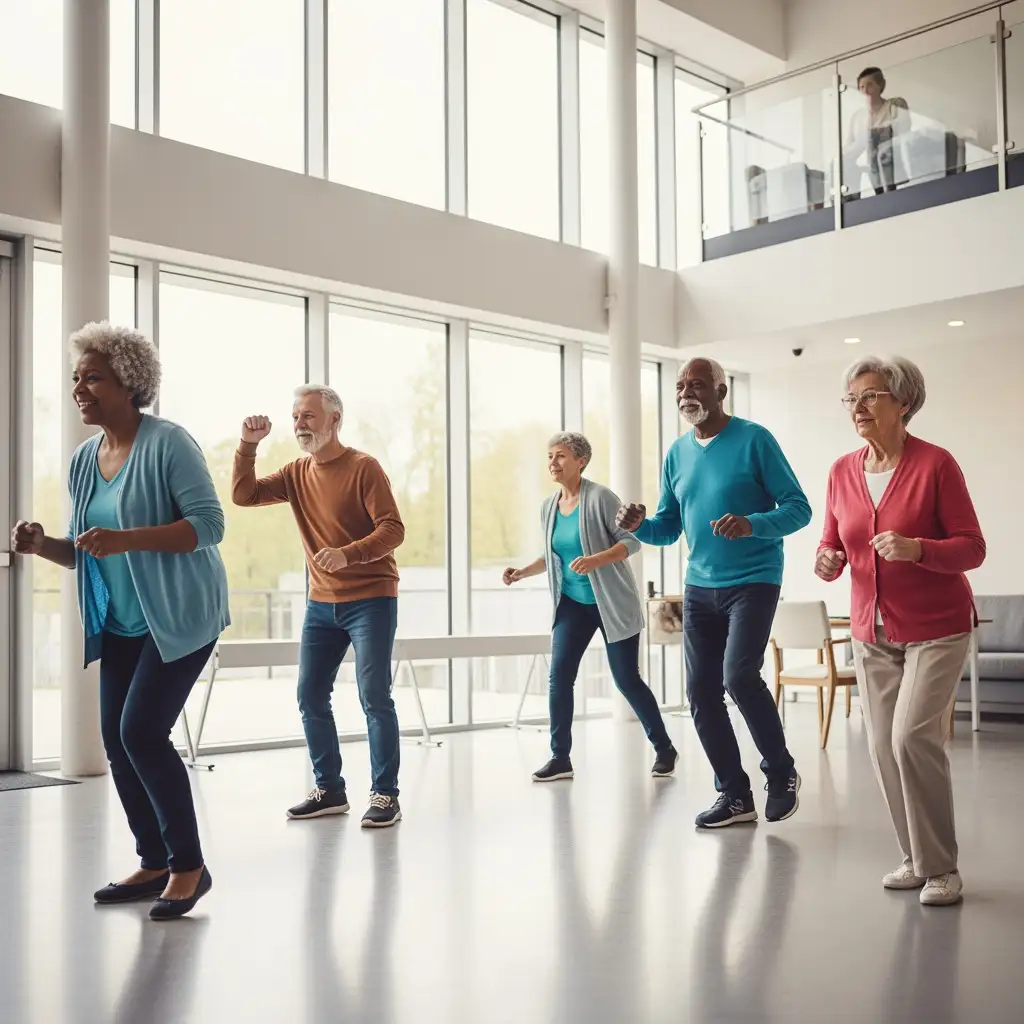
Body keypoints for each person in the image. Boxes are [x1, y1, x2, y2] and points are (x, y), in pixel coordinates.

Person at [11, 322, 228, 920]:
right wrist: (43, 546)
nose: (80, 388)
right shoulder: (85, 459)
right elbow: (89, 549)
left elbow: (209, 526)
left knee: (141, 734)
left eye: (93, 378)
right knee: (117, 738)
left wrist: (128, 538)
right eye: (77, 378)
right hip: (121, 622)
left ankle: (190, 865)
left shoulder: (168, 443)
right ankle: (154, 860)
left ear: (129, 384)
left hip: (180, 617)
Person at [816, 356, 985, 906]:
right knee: (882, 748)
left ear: (902, 403)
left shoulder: (937, 464)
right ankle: (914, 857)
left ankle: (942, 868)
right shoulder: (842, 470)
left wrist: (919, 550)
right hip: (872, 628)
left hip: (937, 626)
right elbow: (834, 543)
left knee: (911, 736)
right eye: (851, 399)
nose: (857, 408)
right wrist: (827, 559)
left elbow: (971, 547)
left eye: (869, 396)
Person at [617, 358, 811, 829]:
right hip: (700, 587)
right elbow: (669, 529)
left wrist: (751, 524)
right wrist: (641, 526)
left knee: (739, 676)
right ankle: (734, 795)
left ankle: (781, 771)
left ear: (721, 391)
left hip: (755, 579)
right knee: (701, 690)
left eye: (697, 384)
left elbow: (798, 510)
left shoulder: (755, 440)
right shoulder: (676, 454)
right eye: (681, 385)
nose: (687, 392)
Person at [232, 386, 405, 827]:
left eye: (308, 416)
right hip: (320, 605)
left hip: (371, 599)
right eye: (295, 417)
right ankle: (329, 790)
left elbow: (393, 529)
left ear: (334, 420)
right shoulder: (296, 472)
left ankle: (385, 795)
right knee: (310, 694)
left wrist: (350, 553)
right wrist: (248, 446)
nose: (299, 425)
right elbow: (244, 495)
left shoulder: (364, 468)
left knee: (374, 698)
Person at [503, 432, 678, 782]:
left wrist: (597, 559)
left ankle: (664, 747)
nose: (553, 462)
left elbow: (631, 541)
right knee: (559, 677)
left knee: (626, 679)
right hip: (571, 604)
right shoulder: (548, 507)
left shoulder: (600, 498)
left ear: (581, 461)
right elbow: (553, 556)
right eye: (550, 456)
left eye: (561, 456)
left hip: (611, 602)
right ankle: (560, 758)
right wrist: (523, 571)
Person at [844, 66, 910, 195]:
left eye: (870, 85)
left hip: (894, 171)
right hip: (871, 176)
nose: (866, 91)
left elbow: (903, 130)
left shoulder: (894, 106)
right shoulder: (857, 117)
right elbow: (849, 149)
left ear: (881, 85)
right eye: (862, 87)